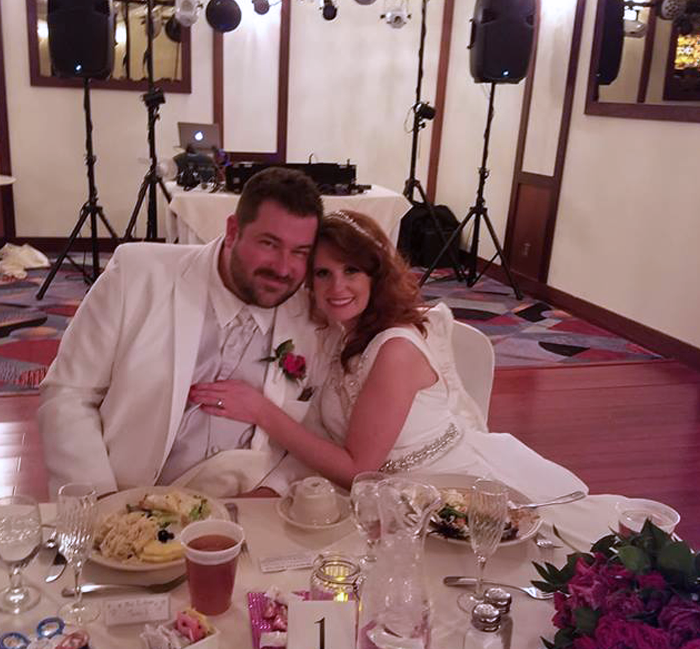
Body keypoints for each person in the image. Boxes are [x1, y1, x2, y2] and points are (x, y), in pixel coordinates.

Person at [190, 210, 587, 500]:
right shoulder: (342, 333)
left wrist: (261, 411)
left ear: (376, 274)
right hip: (380, 492)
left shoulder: (394, 349)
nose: (336, 287)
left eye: (351, 271)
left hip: (441, 490)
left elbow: (358, 469)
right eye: (322, 273)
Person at [38, 167, 324, 497]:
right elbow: (69, 395)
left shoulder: (311, 316)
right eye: (269, 243)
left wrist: (272, 491)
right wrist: (100, 501)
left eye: (300, 252)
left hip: (250, 511)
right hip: (130, 499)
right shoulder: (138, 275)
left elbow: (317, 431)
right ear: (233, 231)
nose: (283, 268)